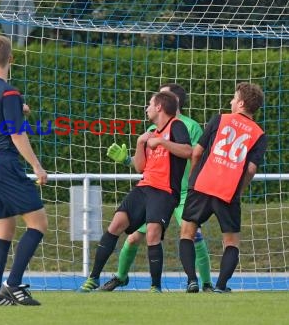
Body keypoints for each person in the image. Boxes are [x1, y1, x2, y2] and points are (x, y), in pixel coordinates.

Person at [87, 83, 213, 292]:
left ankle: (204, 282)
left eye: (160, 97)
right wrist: (128, 159)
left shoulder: (189, 126)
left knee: (192, 234)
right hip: (154, 189)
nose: (152, 103)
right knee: (134, 236)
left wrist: (194, 189)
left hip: (182, 193)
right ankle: (120, 276)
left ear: (171, 102)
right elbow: (147, 164)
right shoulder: (151, 129)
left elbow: (194, 155)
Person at [0, 35, 48, 306]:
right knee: (38, 223)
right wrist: (37, 166)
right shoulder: (10, 92)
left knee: (4, 231)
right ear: (11, 59)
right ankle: (13, 284)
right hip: (4, 163)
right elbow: (17, 135)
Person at [179, 82, 267, 293]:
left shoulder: (220, 119)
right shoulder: (259, 134)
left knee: (187, 233)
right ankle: (220, 286)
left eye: (234, 98)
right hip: (228, 192)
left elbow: (197, 152)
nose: (231, 101)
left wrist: (193, 179)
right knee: (231, 242)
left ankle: (192, 281)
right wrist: (239, 189)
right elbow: (251, 170)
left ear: (242, 103)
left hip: (202, 185)